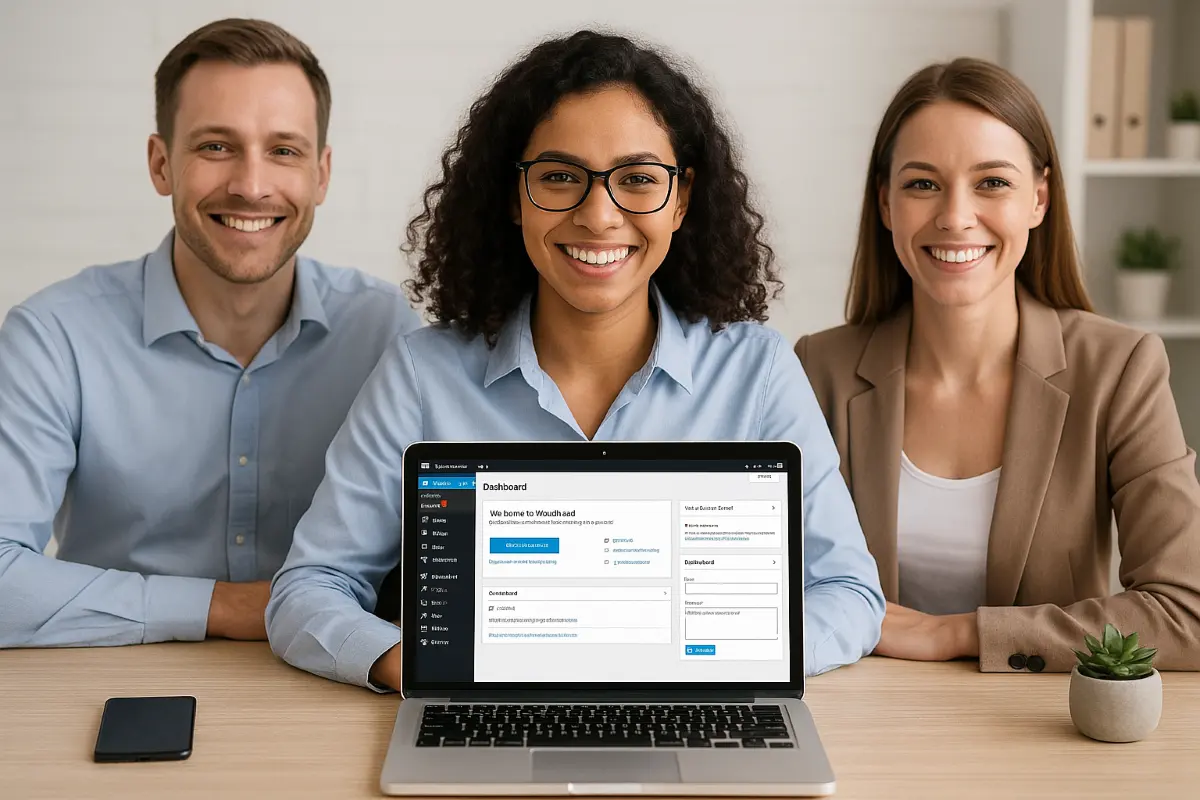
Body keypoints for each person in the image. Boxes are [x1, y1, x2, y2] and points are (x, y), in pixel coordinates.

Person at [267, 30, 884, 690]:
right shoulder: (422, 376)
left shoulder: (755, 373)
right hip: (480, 719)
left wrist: (712, 666)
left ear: (680, 199)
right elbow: (309, 588)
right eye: (560, 177)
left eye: (638, 180)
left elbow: (847, 592)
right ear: (513, 196)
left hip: (700, 711)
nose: (599, 215)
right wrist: (419, 667)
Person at [0, 18, 420, 648]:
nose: (251, 187)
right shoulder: (53, 336)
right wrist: (222, 607)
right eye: (216, 147)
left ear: (322, 174)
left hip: (329, 678)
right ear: (161, 163)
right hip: (106, 679)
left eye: (284, 150)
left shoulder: (386, 331)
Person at [796, 57, 1200, 672]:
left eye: (992, 183)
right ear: (885, 203)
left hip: (1041, 738)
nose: (956, 217)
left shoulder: (1119, 370)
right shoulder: (815, 369)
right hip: (862, 727)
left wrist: (959, 634)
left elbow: (1186, 612)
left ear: (1038, 199)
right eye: (922, 184)